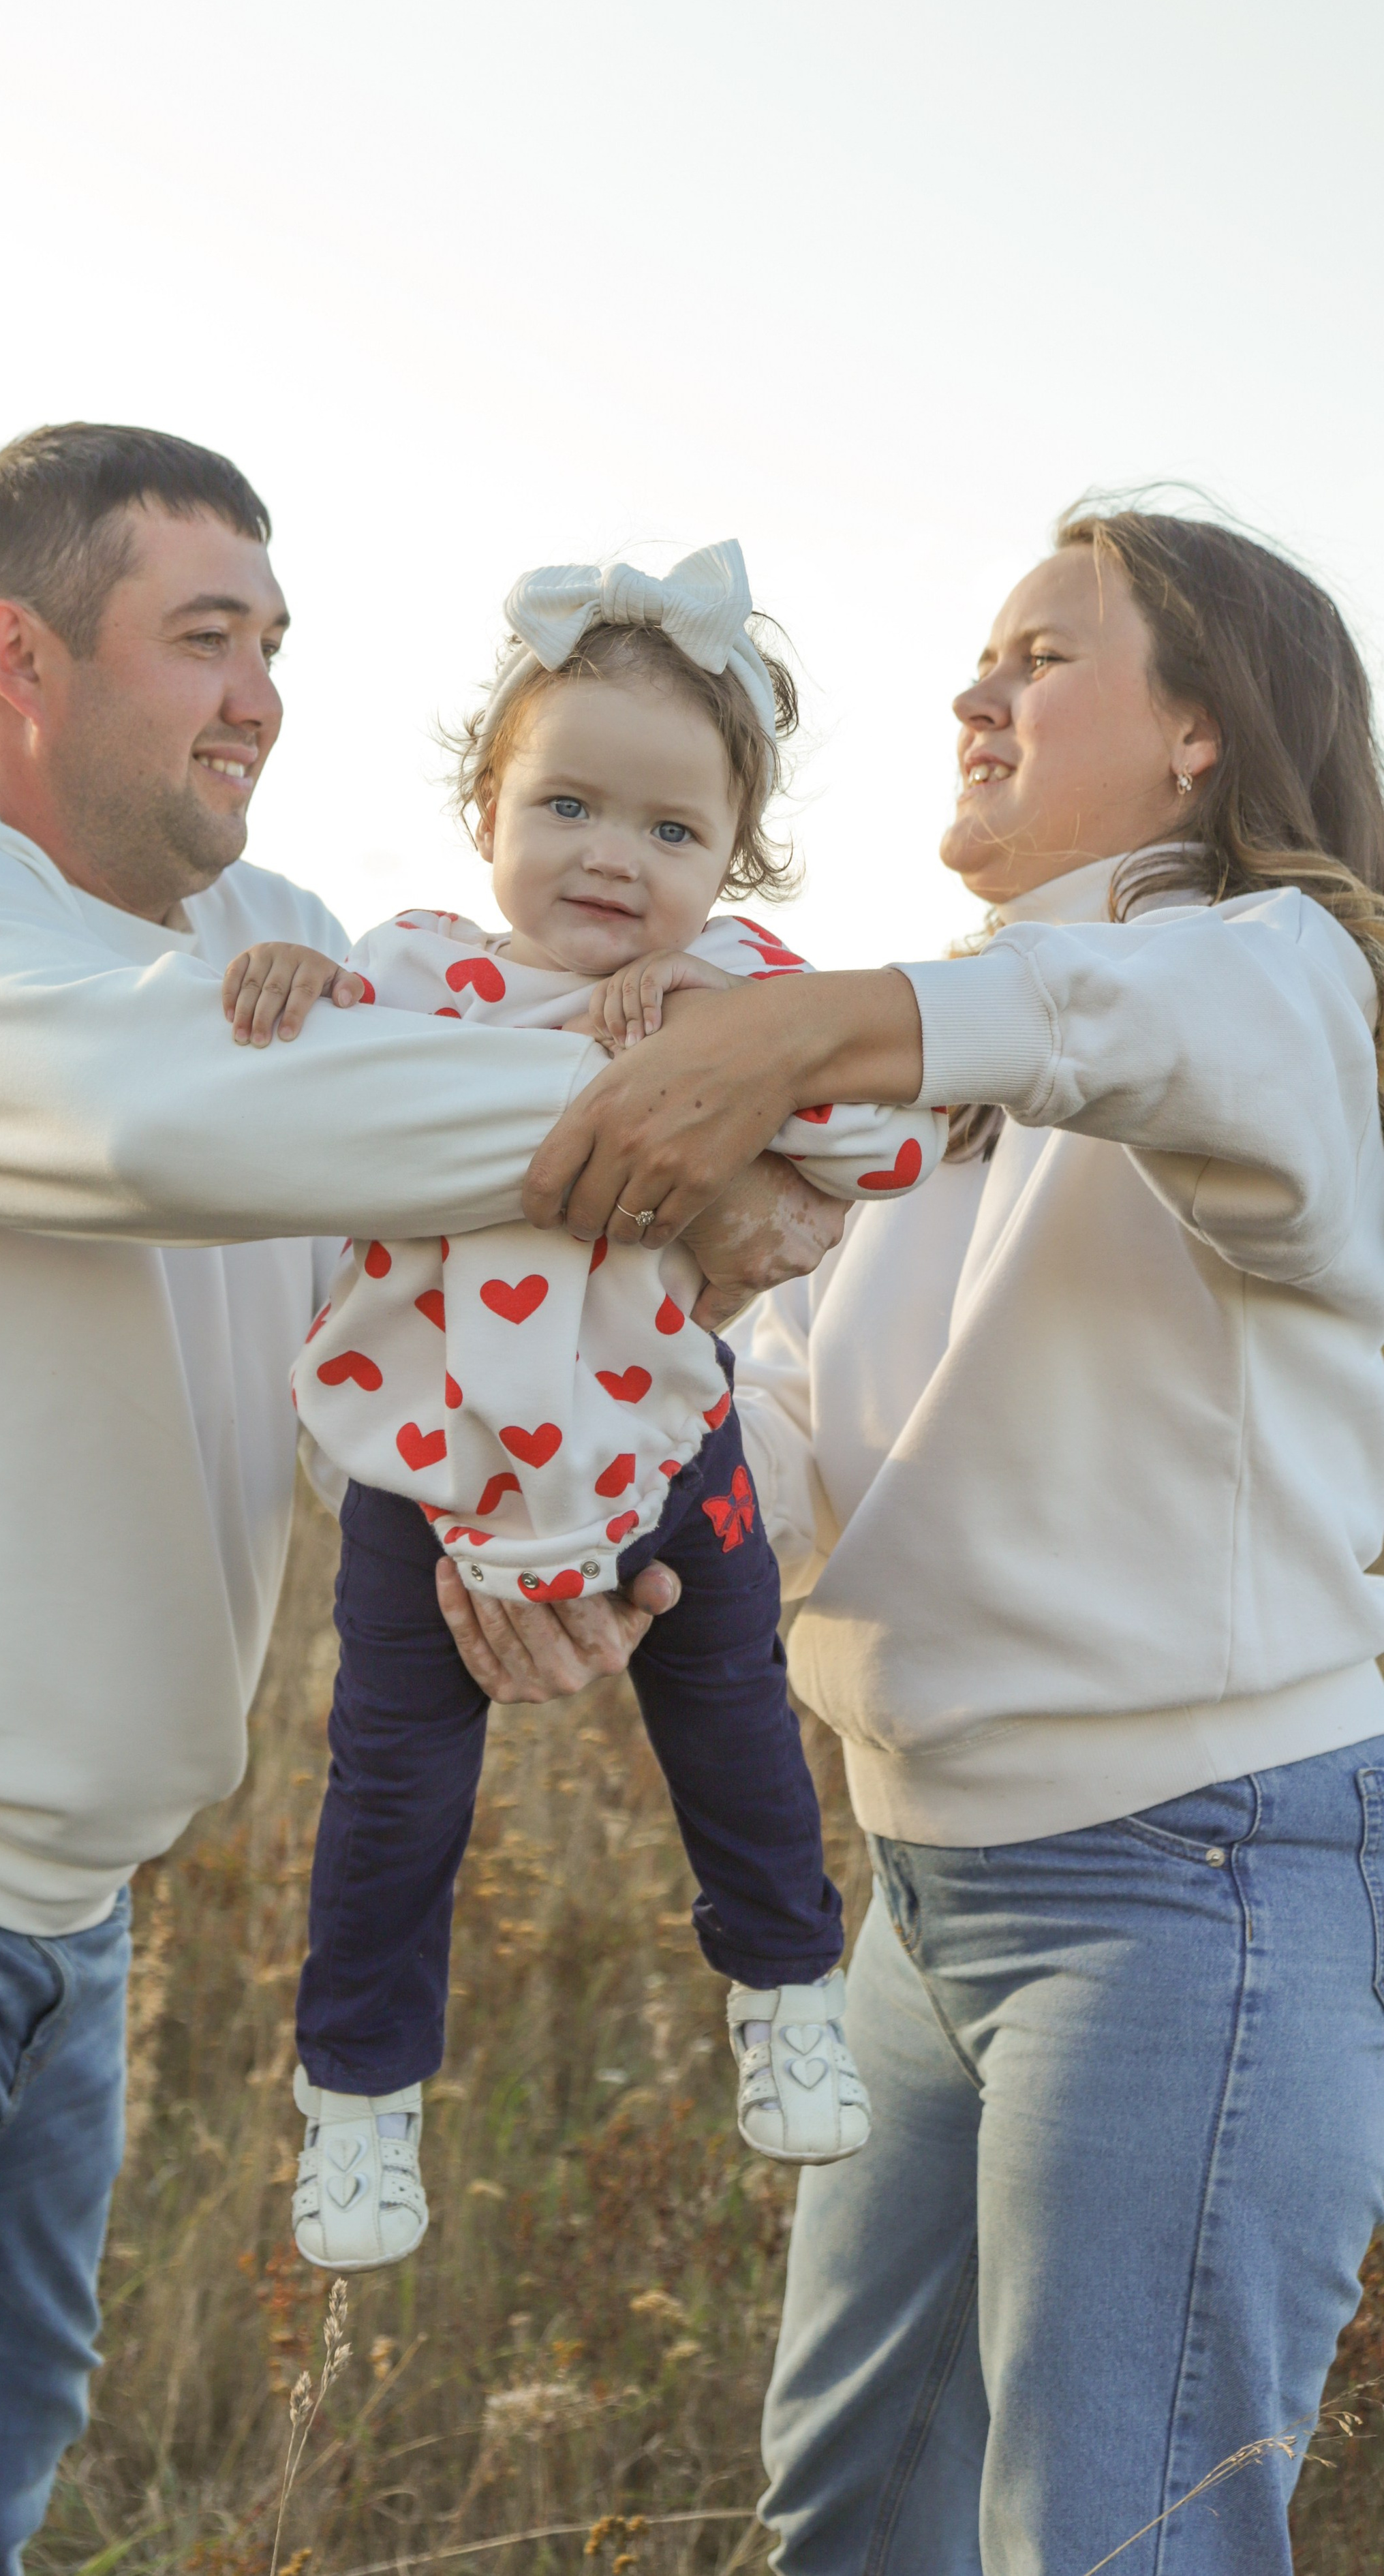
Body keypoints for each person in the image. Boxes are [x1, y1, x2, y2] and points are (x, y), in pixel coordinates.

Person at [0, 423, 847, 2571]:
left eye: (276, 642)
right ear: (20, 656)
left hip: (70, 1899)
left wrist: (529, 1534)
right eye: (207, 638)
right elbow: (160, 1123)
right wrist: (715, 1105)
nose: (263, 696)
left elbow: (424, 1292)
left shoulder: (291, 941)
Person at [705, 505, 1384, 2575]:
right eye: (985, 654)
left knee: (1115, 2538)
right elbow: (791, 1414)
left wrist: (809, 1024)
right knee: (850, 2516)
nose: (972, 693)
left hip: (1191, 1877)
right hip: (919, 1890)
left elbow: (1133, 1016)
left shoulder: (1278, 977)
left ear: (1200, 733)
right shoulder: (936, 1065)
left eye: (1041, 654)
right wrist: (605, 1524)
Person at [228, 542, 947, 2269]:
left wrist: (727, 1029)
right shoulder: (416, 970)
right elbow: (284, 1091)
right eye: (565, 806)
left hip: (666, 1446)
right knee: (391, 1790)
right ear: (483, 811)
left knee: (739, 1733)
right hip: (429, 1468)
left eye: (670, 830)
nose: (613, 856)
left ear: (733, 858)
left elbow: (884, 1141)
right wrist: (291, 992)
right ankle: (359, 2098)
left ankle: (785, 1993)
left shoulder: (752, 990)